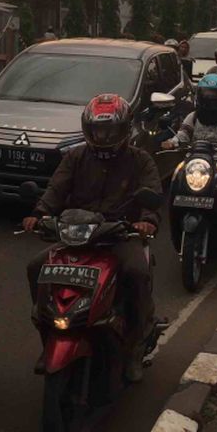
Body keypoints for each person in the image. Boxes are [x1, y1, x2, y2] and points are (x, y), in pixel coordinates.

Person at [22, 93, 160, 381]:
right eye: (98, 130)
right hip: (77, 233)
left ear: (125, 130)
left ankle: (136, 344)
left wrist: (146, 221)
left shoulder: (140, 160)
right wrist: (39, 213)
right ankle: (48, 337)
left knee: (135, 272)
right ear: (88, 130)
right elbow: (56, 188)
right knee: (36, 267)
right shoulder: (75, 156)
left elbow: (151, 194)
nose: (104, 136)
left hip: (120, 234)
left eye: (110, 130)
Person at [167, 74, 217, 156]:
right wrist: (172, 142)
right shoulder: (193, 116)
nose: (210, 99)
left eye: (214, 96)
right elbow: (183, 134)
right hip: (195, 159)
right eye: (207, 95)